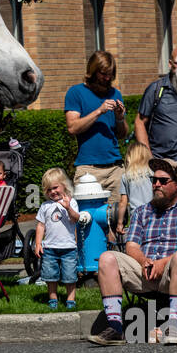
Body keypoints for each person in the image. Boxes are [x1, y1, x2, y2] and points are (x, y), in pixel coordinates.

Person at [88, 156, 177, 346]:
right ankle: (115, 328)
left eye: (163, 181)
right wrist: (144, 260)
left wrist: (162, 263)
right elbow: (132, 246)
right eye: (154, 180)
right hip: (144, 271)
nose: (156, 185)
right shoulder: (141, 212)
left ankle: (174, 325)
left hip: (176, 273)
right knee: (107, 257)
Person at [64, 50, 127, 232]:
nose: (107, 78)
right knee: (86, 221)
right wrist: (99, 111)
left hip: (115, 167)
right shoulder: (76, 92)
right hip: (88, 169)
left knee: (115, 222)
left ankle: (115, 258)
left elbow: (122, 134)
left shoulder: (116, 93)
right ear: (92, 71)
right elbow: (72, 127)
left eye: (110, 74)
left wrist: (120, 118)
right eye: (103, 74)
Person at [35, 168, 82, 311]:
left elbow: (76, 219)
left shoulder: (71, 202)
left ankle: (70, 299)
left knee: (70, 276)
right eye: (49, 189)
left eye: (55, 187)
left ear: (64, 186)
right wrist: (38, 243)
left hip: (68, 247)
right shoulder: (45, 206)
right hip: (50, 247)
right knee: (50, 276)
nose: (53, 192)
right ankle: (53, 298)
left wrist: (68, 208)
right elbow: (41, 225)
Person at [115, 140, 153, 238]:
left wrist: (120, 223)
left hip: (135, 216)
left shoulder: (126, 176)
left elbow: (123, 202)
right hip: (153, 213)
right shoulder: (152, 173)